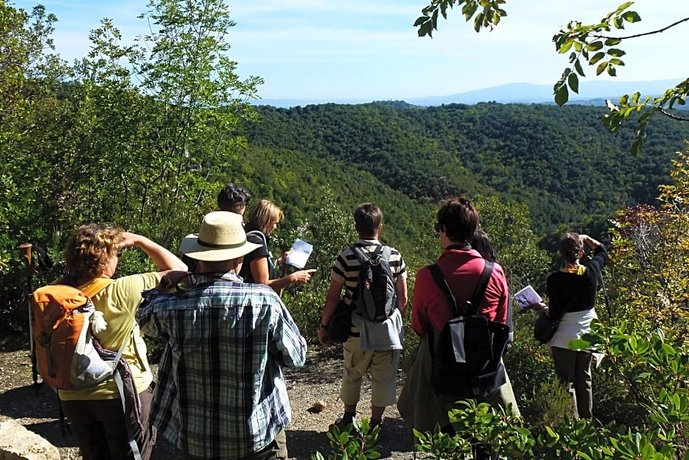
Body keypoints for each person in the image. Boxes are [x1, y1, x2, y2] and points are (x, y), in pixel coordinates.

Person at [137, 211, 307, 460]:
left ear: (198, 257)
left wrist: (163, 287)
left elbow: (143, 317)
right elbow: (297, 357)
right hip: (256, 436)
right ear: (239, 259)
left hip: (195, 439)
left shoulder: (172, 307)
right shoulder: (265, 301)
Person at [59, 224, 187, 460]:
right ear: (105, 258)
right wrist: (140, 240)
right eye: (116, 254)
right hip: (121, 394)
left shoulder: (58, 294)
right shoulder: (123, 290)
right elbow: (180, 269)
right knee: (135, 454)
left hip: (71, 395)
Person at [398, 197, 513, 457]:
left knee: (446, 439)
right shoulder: (495, 272)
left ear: (443, 230)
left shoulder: (429, 275)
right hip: (484, 370)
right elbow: (502, 324)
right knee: (485, 441)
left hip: (442, 369)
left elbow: (419, 325)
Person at [318, 203, 408, 429]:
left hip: (355, 329)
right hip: (387, 332)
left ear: (356, 227)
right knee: (384, 378)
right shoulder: (395, 256)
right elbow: (403, 300)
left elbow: (332, 298)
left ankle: (349, 419)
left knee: (352, 373)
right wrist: (388, 320)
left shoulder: (346, 256)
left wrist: (324, 325)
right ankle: (376, 423)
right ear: (380, 227)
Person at [533, 232, 607, 420]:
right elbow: (602, 251)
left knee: (567, 383)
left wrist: (541, 307)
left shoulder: (555, 280)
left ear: (561, 253)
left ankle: (571, 425)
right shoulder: (591, 273)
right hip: (587, 335)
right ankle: (587, 422)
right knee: (585, 380)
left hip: (563, 338)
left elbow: (555, 313)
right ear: (581, 253)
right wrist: (587, 238)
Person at [471, 229, 521, 419]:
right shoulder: (497, 271)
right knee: (492, 383)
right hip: (499, 337)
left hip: (477, 340)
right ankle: (495, 420)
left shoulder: (480, 272)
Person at [240, 199, 315, 293]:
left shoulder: (247, 234)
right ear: (266, 220)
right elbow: (263, 285)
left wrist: (279, 261)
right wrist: (294, 277)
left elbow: (255, 268)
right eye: (274, 223)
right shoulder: (257, 242)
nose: (275, 227)